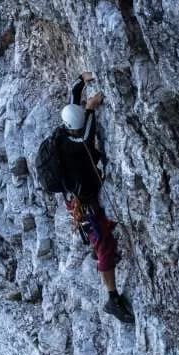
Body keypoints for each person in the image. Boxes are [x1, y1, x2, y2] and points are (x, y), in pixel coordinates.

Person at [56, 71, 134, 324]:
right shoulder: (76, 144)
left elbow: (72, 101)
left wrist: (81, 80)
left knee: (100, 232)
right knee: (104, 243)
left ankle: (100, 251)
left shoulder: (63, 131)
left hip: (76, 199)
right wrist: (90, 108)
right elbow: (88, 134)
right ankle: (112, 297)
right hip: (84, 203)